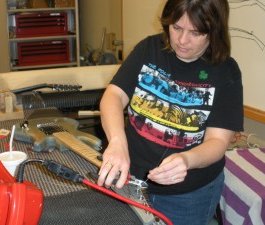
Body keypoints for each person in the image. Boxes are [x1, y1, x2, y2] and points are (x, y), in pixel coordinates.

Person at [97, 0, 244, 224]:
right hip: (129, 178)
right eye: (176, 28)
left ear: (214, 31)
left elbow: (217, 142)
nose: (182, 41)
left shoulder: (225, 71)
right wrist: (117, 142)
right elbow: (113, 96)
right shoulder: (149, 49)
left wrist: (186, 159)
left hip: (189, 195)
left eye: (195, 32)